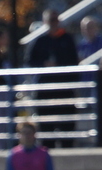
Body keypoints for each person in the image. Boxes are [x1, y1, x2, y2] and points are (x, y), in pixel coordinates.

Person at [28, 9, 79, 148]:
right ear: (45, 22)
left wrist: (60, 65)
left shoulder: (67, 39)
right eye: (51, 20)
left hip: (64, 91)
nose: (54, 23)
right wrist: (44, 64)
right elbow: (30, 61)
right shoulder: (40, 40)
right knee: (47, 131)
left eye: (56, 20)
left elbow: (74, 62)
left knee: (67, 130)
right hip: (45, 91)